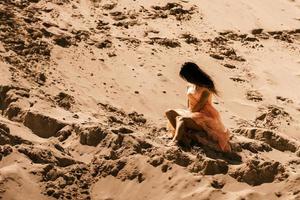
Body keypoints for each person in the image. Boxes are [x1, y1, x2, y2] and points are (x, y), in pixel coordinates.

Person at [165, 62, 231, 152]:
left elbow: (199, 106)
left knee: (181, 119)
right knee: (169, 112)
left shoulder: (206, 88)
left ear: (193, 75)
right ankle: (184, 137)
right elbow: (189, 100)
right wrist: (188, 112)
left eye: (187, 77)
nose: (186, 79)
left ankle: (176, 141)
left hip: (205, 116)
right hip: (192, 111)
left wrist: (188, 115)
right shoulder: (189, 85)